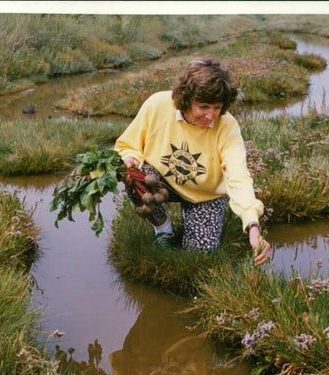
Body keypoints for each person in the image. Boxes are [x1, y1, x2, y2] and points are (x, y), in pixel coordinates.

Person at [114, 57, 271, 264]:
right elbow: (127, 145)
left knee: (199, 256)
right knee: (135, 179)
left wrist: (252, 224)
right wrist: (130, 159)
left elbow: (238, 177)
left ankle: (195, 220)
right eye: (203, 107)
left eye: (217, 107)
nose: (210, 116)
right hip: (162, 183)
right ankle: (163, 228)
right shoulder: (158, 105)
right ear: (185, 100)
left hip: (206, 195)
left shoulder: (227, 126)